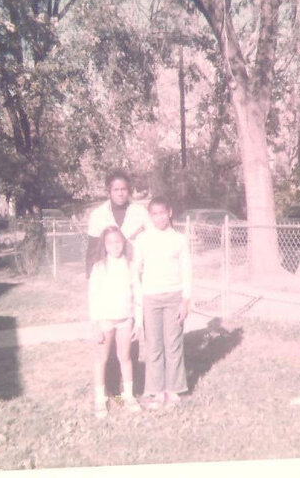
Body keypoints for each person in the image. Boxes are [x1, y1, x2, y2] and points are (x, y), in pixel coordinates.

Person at [134, 196, 192, 408]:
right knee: (154, 346)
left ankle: (173, 389)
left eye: (162, 212)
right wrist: (139, 300)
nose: (159, 217)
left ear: (169, 212)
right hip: (151, 297)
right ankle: (156, 390)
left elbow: (187, 270)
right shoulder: (142, 239)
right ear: (150, 216)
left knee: (173, 343)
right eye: (154, 214)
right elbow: (136, 271)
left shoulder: (179, 239)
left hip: (174, 296)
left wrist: (185, 300)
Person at [88, 226, 143, 418]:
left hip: (125, 319)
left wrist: (138, 322)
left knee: (125, 358)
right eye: (110, 242)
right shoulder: (99, 267)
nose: (115, 245)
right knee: (101, 358)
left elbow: (137, 294)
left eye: (118, 241)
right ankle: (100, 399)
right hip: (105, 320)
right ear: (104, 244)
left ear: (124, 242)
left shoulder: (130, 265)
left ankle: (128, 396)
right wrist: (95, 324)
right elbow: (93, 297)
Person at [85, 170, 149, 279]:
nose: (120, 193)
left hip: (136, 273)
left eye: (123, 189)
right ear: (109, 191)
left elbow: (150, 244)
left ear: (128, 190)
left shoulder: (141, 212)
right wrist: (91, 277)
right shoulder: (98, 215)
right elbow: (92, 251)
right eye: (116, 190)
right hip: (108, 275)